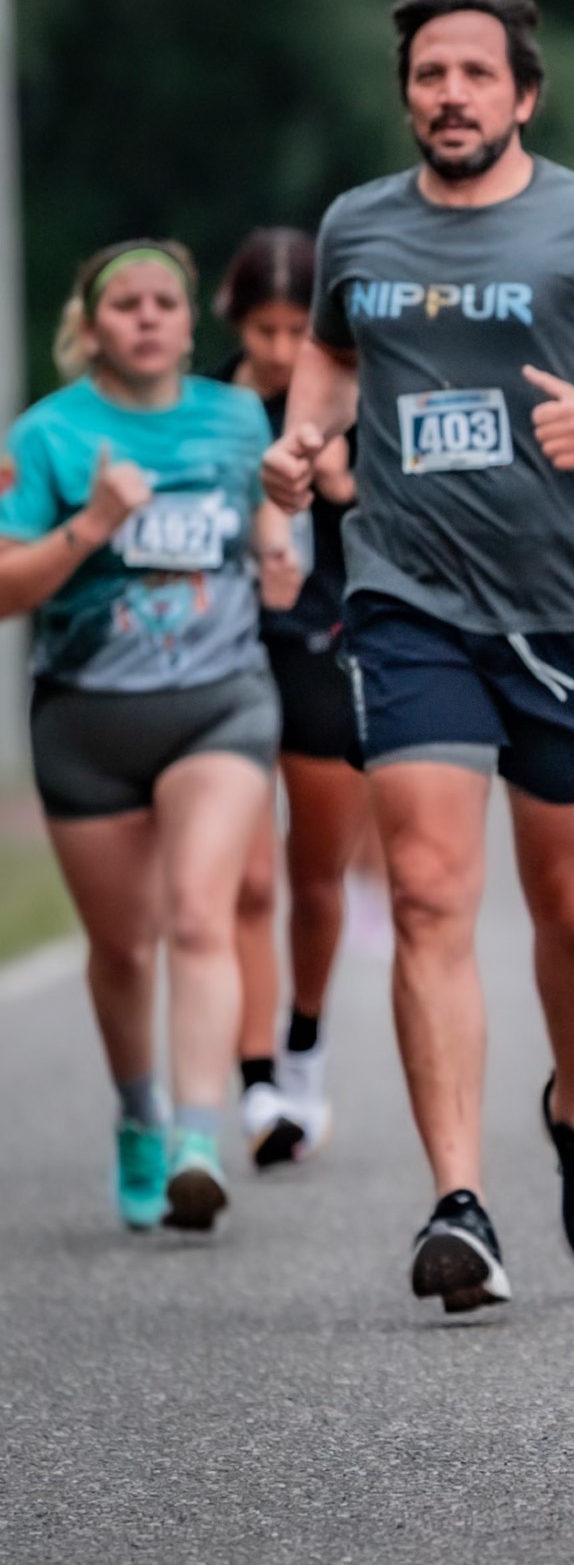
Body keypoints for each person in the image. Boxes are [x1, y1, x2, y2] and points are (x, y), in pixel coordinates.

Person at [261, 0, 574, 1312]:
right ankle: (460, 1201)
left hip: (568, 610)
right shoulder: (358, 225)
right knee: (425, 890)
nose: (452, 96)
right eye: (430, 75)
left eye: (477, 74)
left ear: (523, 94)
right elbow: (330, 360)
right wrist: (304, 445)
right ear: (407, 92)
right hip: (409, 598)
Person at [0, 239, 302, 1233]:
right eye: (123, 304)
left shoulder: (235, 416)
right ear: (90, 327)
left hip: (219, 701)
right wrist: (90, 524)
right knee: (123, 947)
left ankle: (197, 1140)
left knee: (198, 913)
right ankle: (140, 1114)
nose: (144, 318)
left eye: (162, 302)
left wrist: (275, 549)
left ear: (187, 320)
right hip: (87, 716)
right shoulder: (46, 436)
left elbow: (262, 522)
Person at [218, 227, 374, 1168]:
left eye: (296, 329)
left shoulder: (356, 399)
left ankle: (305, 1046)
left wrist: (351, 488)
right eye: (264, 329)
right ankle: (255, 1080)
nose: (281, 351)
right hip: (225, 652)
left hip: (326, 645)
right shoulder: (203, 404)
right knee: (246, 882)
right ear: (236, 320)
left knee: (316, 876)